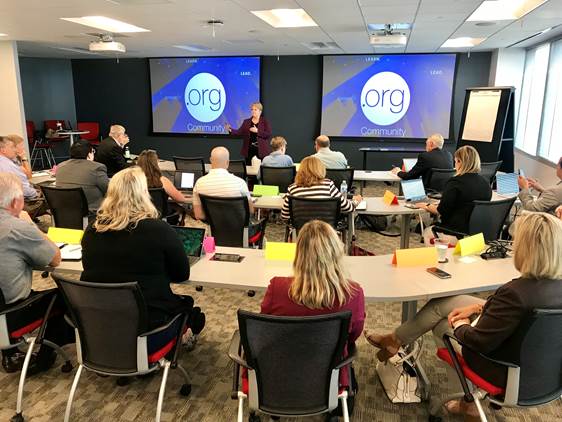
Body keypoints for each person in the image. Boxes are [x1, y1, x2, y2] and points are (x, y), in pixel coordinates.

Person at [364, 212, 562, 419]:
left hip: (506, 370)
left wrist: (460, 323)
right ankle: (395, 339)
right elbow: (519, 314)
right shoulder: (540, 290)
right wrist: (478, 308)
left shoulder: (515, 294)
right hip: (548, 373)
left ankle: (468, 404)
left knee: (443, 325)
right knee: (445, 303)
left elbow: (478, 342)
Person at [81, 167, 205, 350]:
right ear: (144, 194)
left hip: (101, 322)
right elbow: (181, 274)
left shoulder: (92, 230)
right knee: (193, 312)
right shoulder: (159, 230)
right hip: (149, 325)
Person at [261, 220, 365, 388]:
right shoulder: (353, 293)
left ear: (298, 254)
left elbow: (265, 328)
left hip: (280, 371)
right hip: (330, 375)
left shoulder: (277, 288)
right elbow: (353, 335)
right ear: (337, 252)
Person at [0, 172, 70, 375]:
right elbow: (55, 259)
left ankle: (11, 351)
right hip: (11, 313)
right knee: (61, 297)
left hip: (3, 304)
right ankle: (42, 359)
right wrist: (30, 224)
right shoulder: (18, 228)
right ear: (15, 201)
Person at [416, 145, 492, 243]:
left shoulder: (455, 182)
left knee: (427, 233)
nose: (455, 165)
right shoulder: (485, 182)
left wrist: (426, 206)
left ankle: (441, 258)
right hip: (479, 235)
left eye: (455, 161)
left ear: (460, 162)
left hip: (456, 233)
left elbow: (441, 211)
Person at [281, 156, 361, 220]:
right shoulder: (328, 185)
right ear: (320, 169)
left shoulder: (292, 188)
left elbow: (284, 215)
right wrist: (356, 201)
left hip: (302, 233)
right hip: (326, 231)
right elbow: (348, 207)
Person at [56, 140, 109, 212]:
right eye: (93, 151)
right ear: (89, 154)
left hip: (65, 211)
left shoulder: (60, 166)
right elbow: (109, 189)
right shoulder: (97, 167)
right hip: (92, 211)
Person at [0, 136, 46, 218]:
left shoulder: (7, 162)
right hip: (23, 203)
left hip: (5, 205)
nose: (14, 150)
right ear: (3, 150)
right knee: (57, 197)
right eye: (12, 147)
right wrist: (37, 194)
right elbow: (24, 189)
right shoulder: (8, 165)